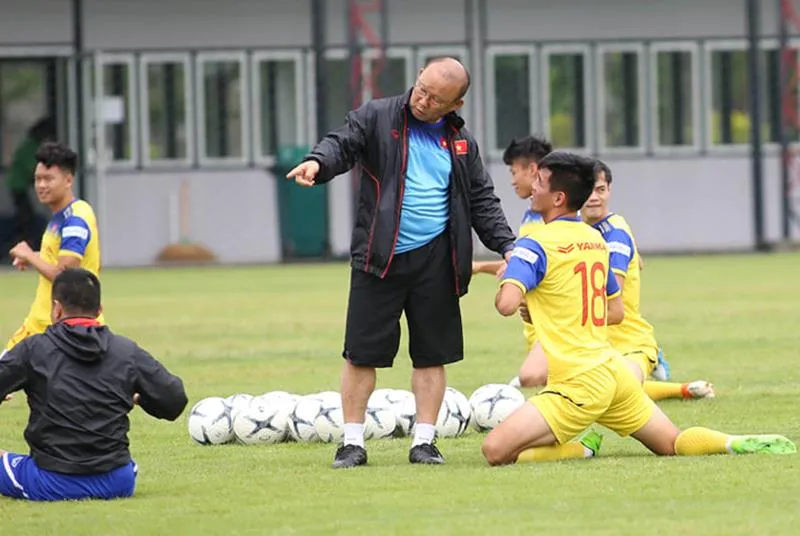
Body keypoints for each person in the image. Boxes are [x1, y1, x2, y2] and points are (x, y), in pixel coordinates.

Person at [480, 152, 796, 466]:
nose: (533, 187)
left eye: (539, 181)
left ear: (558, 197)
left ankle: (581, 449)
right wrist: (545, 309)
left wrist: (511, 280)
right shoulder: (595, 240)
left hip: (578, 383)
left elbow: (506, 305)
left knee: (495, 450)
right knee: (672, 443)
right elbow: (615, 311)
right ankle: (732, 442)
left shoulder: (535, 242)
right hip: (613, 373)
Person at [286, 57, 516, 468]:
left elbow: (482, 199)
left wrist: (507, 246)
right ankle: (352, 443)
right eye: (421, 89)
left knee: (432, 355)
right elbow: (342, 143)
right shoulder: (377, 116)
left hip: (438, 261)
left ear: (456, 105)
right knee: (361, 354)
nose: (422, 100)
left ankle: (424, 442)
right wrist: (318, 163)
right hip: (380, 257)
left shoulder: (462, 143)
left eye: (435, 98)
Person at [511, 160, 715, 401]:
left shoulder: (614, 234)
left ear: (609, 190)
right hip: (586, 335)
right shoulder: (578, 230)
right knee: (532, 376)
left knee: (613, 389)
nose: (594, 198)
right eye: (590, 191)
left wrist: (548, 311)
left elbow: (609, 297)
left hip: (623, 336)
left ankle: (679, 387)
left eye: (601, 190)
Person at [0, 268, 188, 501]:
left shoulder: (33, 349)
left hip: (52, 480)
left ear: (56, 308)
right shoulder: (126, 351)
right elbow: (175, 400)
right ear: (99, 310)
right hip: (117, 481)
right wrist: (140, 398)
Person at [4, 142, 103, 353]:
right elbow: (58, 257)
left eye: (48, 179)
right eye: (38, 179)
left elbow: (66, 276)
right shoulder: (61, 215)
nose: (41, 185)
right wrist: (33, 256)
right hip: (43, 324)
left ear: (68, 180)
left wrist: (29, 255)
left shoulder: (75, 220)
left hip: (61, 328)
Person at [5, 117, 56, 248]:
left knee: (25, 215)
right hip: (18, 185)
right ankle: (25, 243)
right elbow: (32, 169)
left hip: (17, 184)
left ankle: (24, 241)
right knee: (26, 217)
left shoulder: (29, 145)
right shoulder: (32, 147)